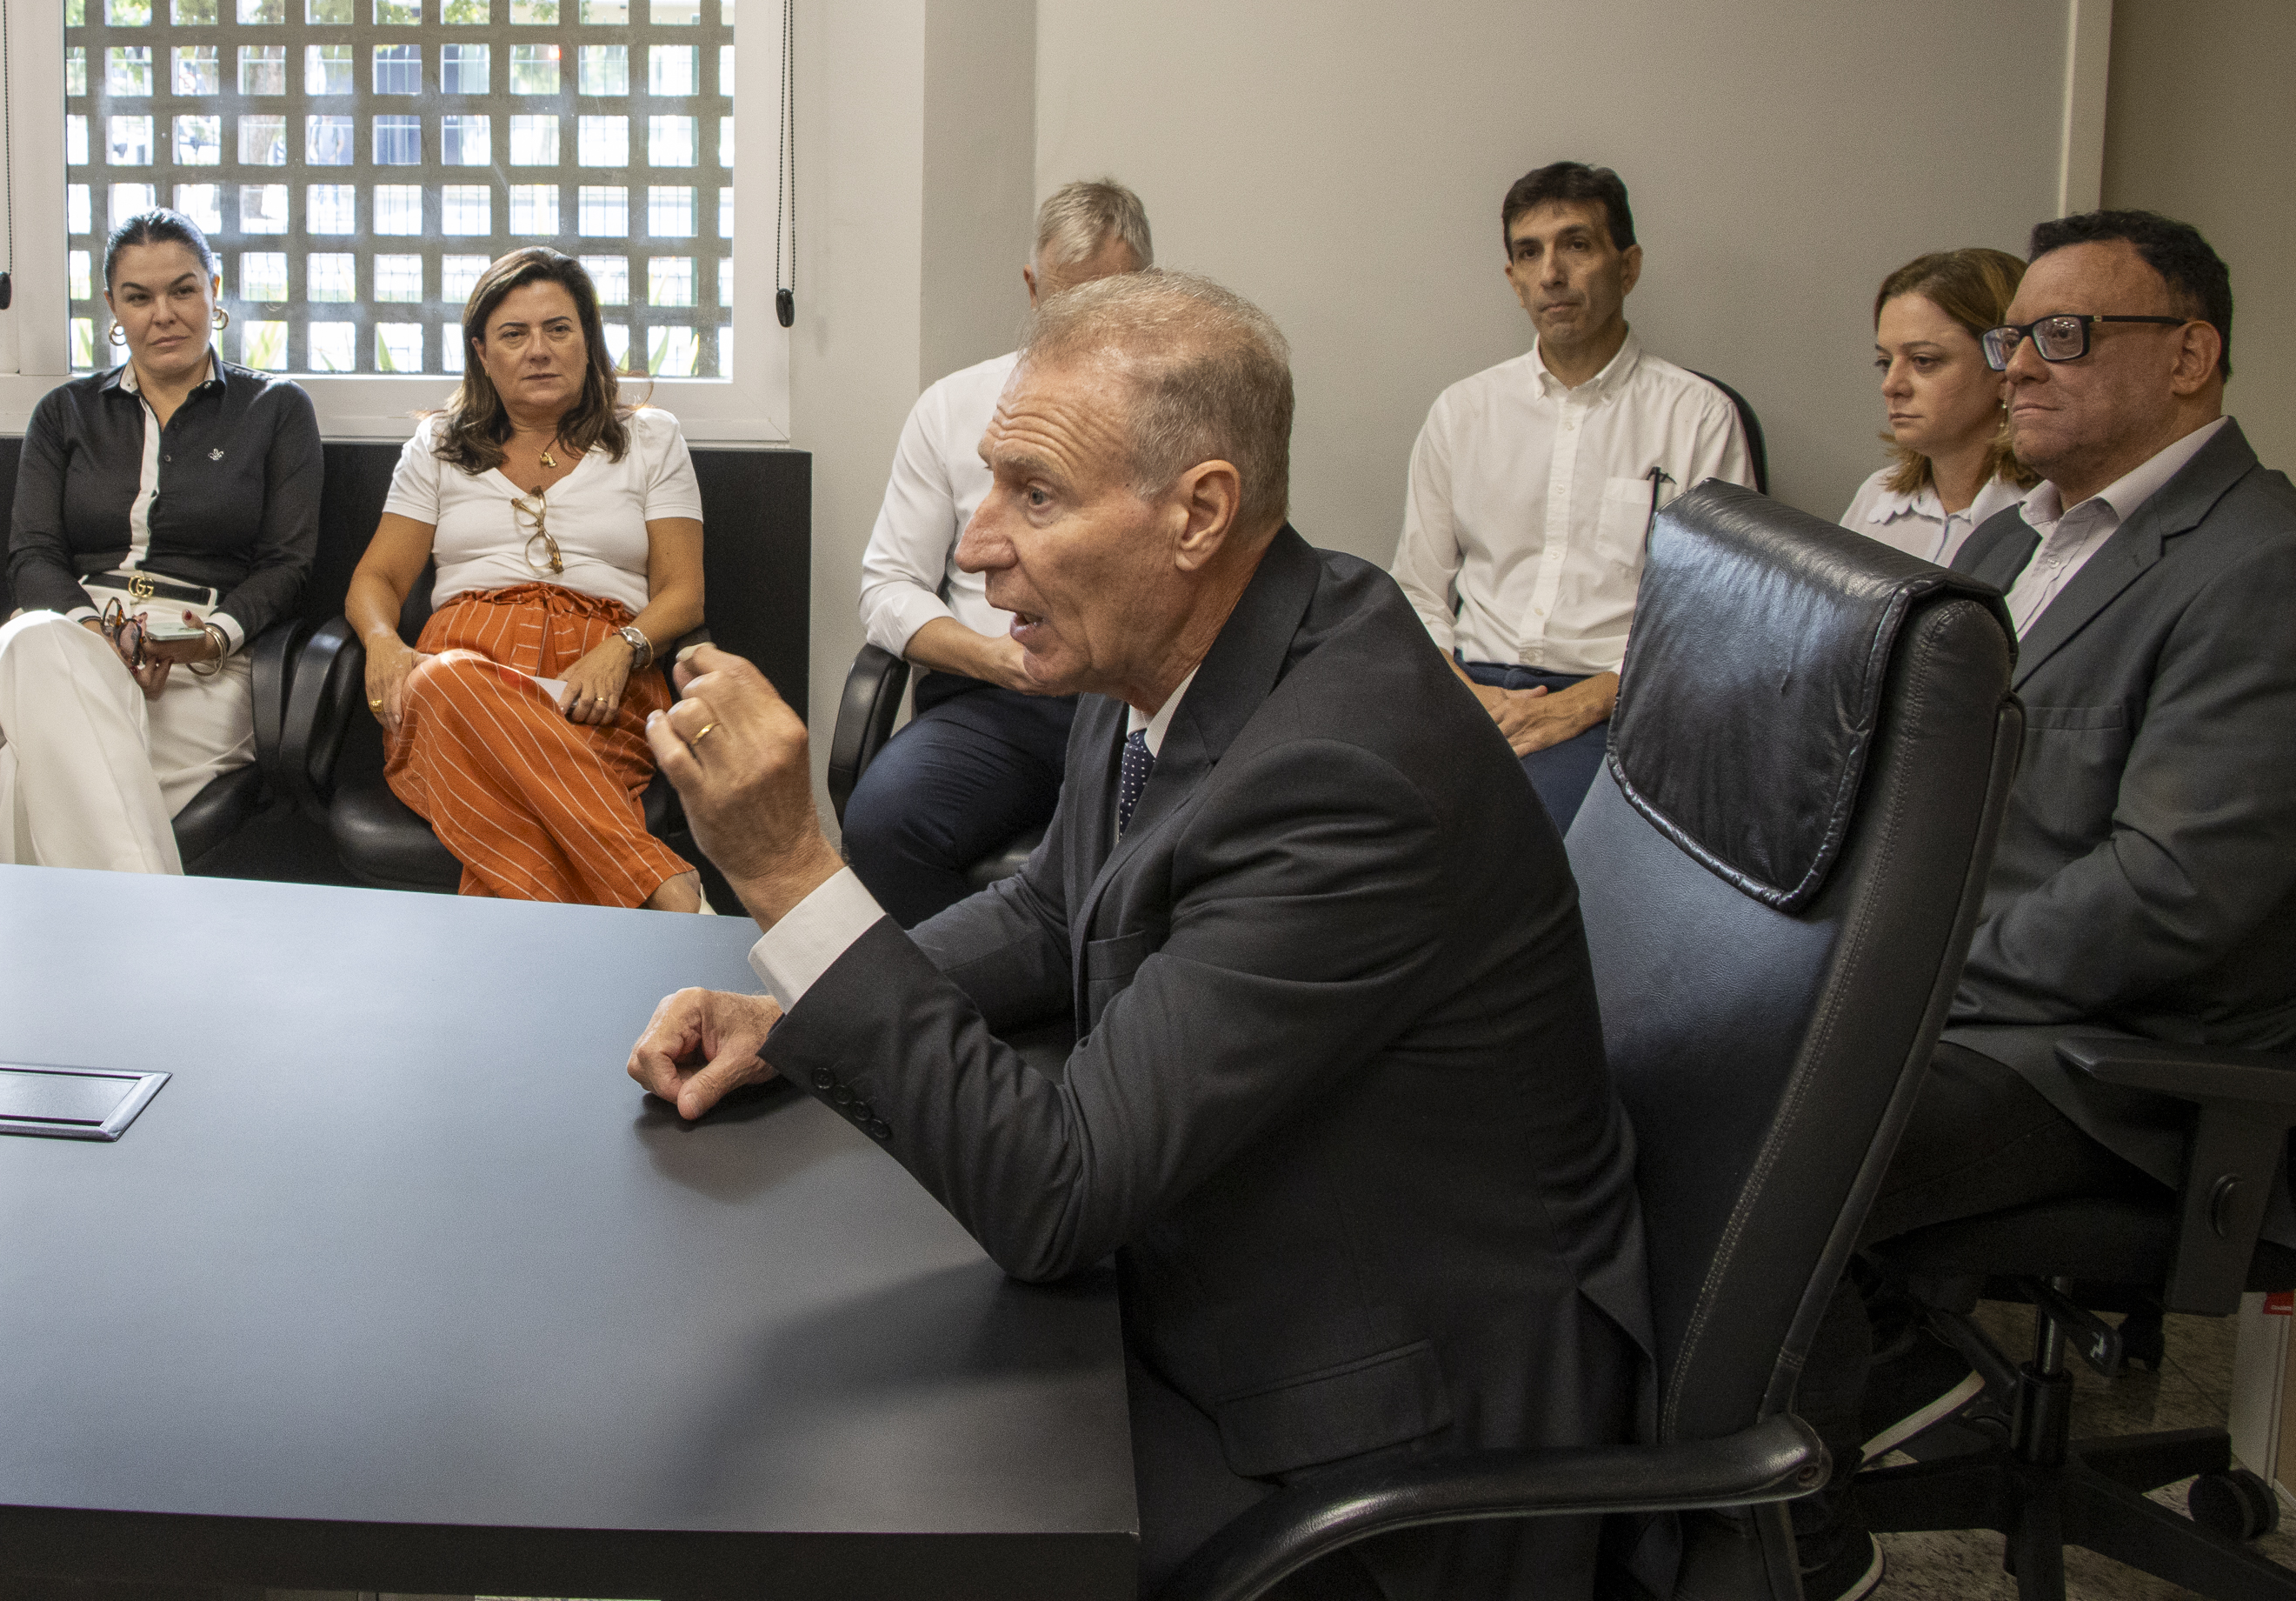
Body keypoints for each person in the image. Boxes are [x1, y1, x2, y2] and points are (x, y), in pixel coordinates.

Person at [625, 271, 1649, 1599]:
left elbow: (1055, 1193)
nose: (980, 542)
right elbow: (1059, 908)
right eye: (989, 484)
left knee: (798, 1508)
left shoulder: (1350, 773)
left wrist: (790, 875)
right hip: (1225, 1265)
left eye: (1035, 496)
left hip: (1375, 1433)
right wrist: (792, 1015)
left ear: (1199, 512)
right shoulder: (1174, 641)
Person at [1794, 209, 2296, 1601]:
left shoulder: (2257, 564)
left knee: (1778, 1135)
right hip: (1990, 1015)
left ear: (2191, 355)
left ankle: (1800, 1544)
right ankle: (1783, 1445)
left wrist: (1906, 973)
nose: (2020, 364)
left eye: (2063, 336)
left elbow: (2174, 891)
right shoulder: (2026, 542)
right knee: (1684, 1064)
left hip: (2125, 1073)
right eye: (2015, 336)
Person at [1391, 160, 1751, 827]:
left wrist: (1581, 703)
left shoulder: (1698, 418)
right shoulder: (1462, 411)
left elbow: (1711, 622)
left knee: (1519, 844)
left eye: (1577, 245)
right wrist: (1465, 694)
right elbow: (1418, 587)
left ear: (1629, 266)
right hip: (1467, 686)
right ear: (1513, 279)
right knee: (1361, 830)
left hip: (1615, 704)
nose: (1551, 273)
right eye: (1529, 253)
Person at [345, 247, 707, 908]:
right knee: (444, 678)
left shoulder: (652, 438)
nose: (538, 349)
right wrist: (382, 643)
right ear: (483, 353)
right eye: (514, 334)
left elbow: (684, 591)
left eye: (558, 329)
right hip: (457, 691)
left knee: (515, 817)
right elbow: (376, 578)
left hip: (596, 687)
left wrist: (621, 649)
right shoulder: (438, 445)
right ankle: (664, 885)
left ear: (588, 342)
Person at [0, 210, 321, 872]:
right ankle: (156, 940)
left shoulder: (274, 409)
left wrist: (209, 638)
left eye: (182, 290)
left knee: (30, 773)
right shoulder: (63, 413)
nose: (163, 313)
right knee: (35, 639)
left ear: (215, 289)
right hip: (65, 644)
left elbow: (287, 563)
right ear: (113, 307)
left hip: (199, 664)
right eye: (139, 296)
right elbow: (32, 556)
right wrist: (100, 636)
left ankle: (67, 964)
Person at [845, 176, 1151, 924]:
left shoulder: (1182, 414)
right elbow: (888, 586)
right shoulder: (953, 408)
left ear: (1147, 289)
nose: (1083, 329)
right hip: (998, 700)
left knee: (1175, 844)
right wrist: (996, 661)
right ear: (1031, 286)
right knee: (881, 825)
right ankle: (963, 1018)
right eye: (1063, 303)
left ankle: (1113, 1016)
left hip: (1136, 693)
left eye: (1107, 304)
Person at [1833, 247, 2033, 566]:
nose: (1891, 386)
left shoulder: (2045, 512)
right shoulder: (1877, 497)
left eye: (1923, 360)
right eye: (1885, 363)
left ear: (2006, 365)